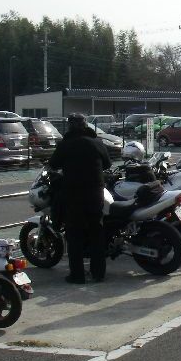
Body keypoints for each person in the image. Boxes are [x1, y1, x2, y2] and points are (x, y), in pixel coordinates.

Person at [48, 113, 112, 284]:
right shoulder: (97, 142)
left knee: (74, 234)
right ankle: (98, 273)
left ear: (70, 126)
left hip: (74, 194)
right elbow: (107, 164)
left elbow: (53, 164)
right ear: (85, 125)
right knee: (96, 232)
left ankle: (77, 275)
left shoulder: (66, 144)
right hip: (95, 193)